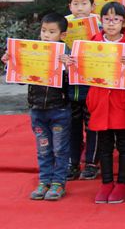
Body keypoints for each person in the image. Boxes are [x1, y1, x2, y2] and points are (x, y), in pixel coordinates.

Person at [75, 2, 125, 204]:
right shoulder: (94, 41)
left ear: (123, 22)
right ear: (101, 20)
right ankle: (106, 183)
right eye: (107, 19)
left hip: (120, 101)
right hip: (99, 100)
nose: (111, 23)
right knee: (104, 144)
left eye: (116, 19)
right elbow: (83, 66)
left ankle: (122, 183)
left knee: (123, 143)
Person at [2, 13, 71, 201]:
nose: (46, 35)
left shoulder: (67, 54)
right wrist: (11, 63)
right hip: (37, 109)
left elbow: (74, 82)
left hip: (59, 109)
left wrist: (68, 67)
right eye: (43, 31)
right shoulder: (32, 52)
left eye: (52, 32)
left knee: (60, 148)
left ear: (62, 35)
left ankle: (58, 183)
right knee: (43, 147)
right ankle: (44, 180)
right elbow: (19, 80)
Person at [65, 0, 99, 181]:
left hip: (91, 86)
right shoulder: (63, 27)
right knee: (72, 126)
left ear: (92, 6)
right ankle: (73, 162)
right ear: (69, 6)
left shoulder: (100, 26)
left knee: (92, 125)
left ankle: (92, 163)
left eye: (84, 4)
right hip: (70, 87)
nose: (79, 8)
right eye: (75, 4)